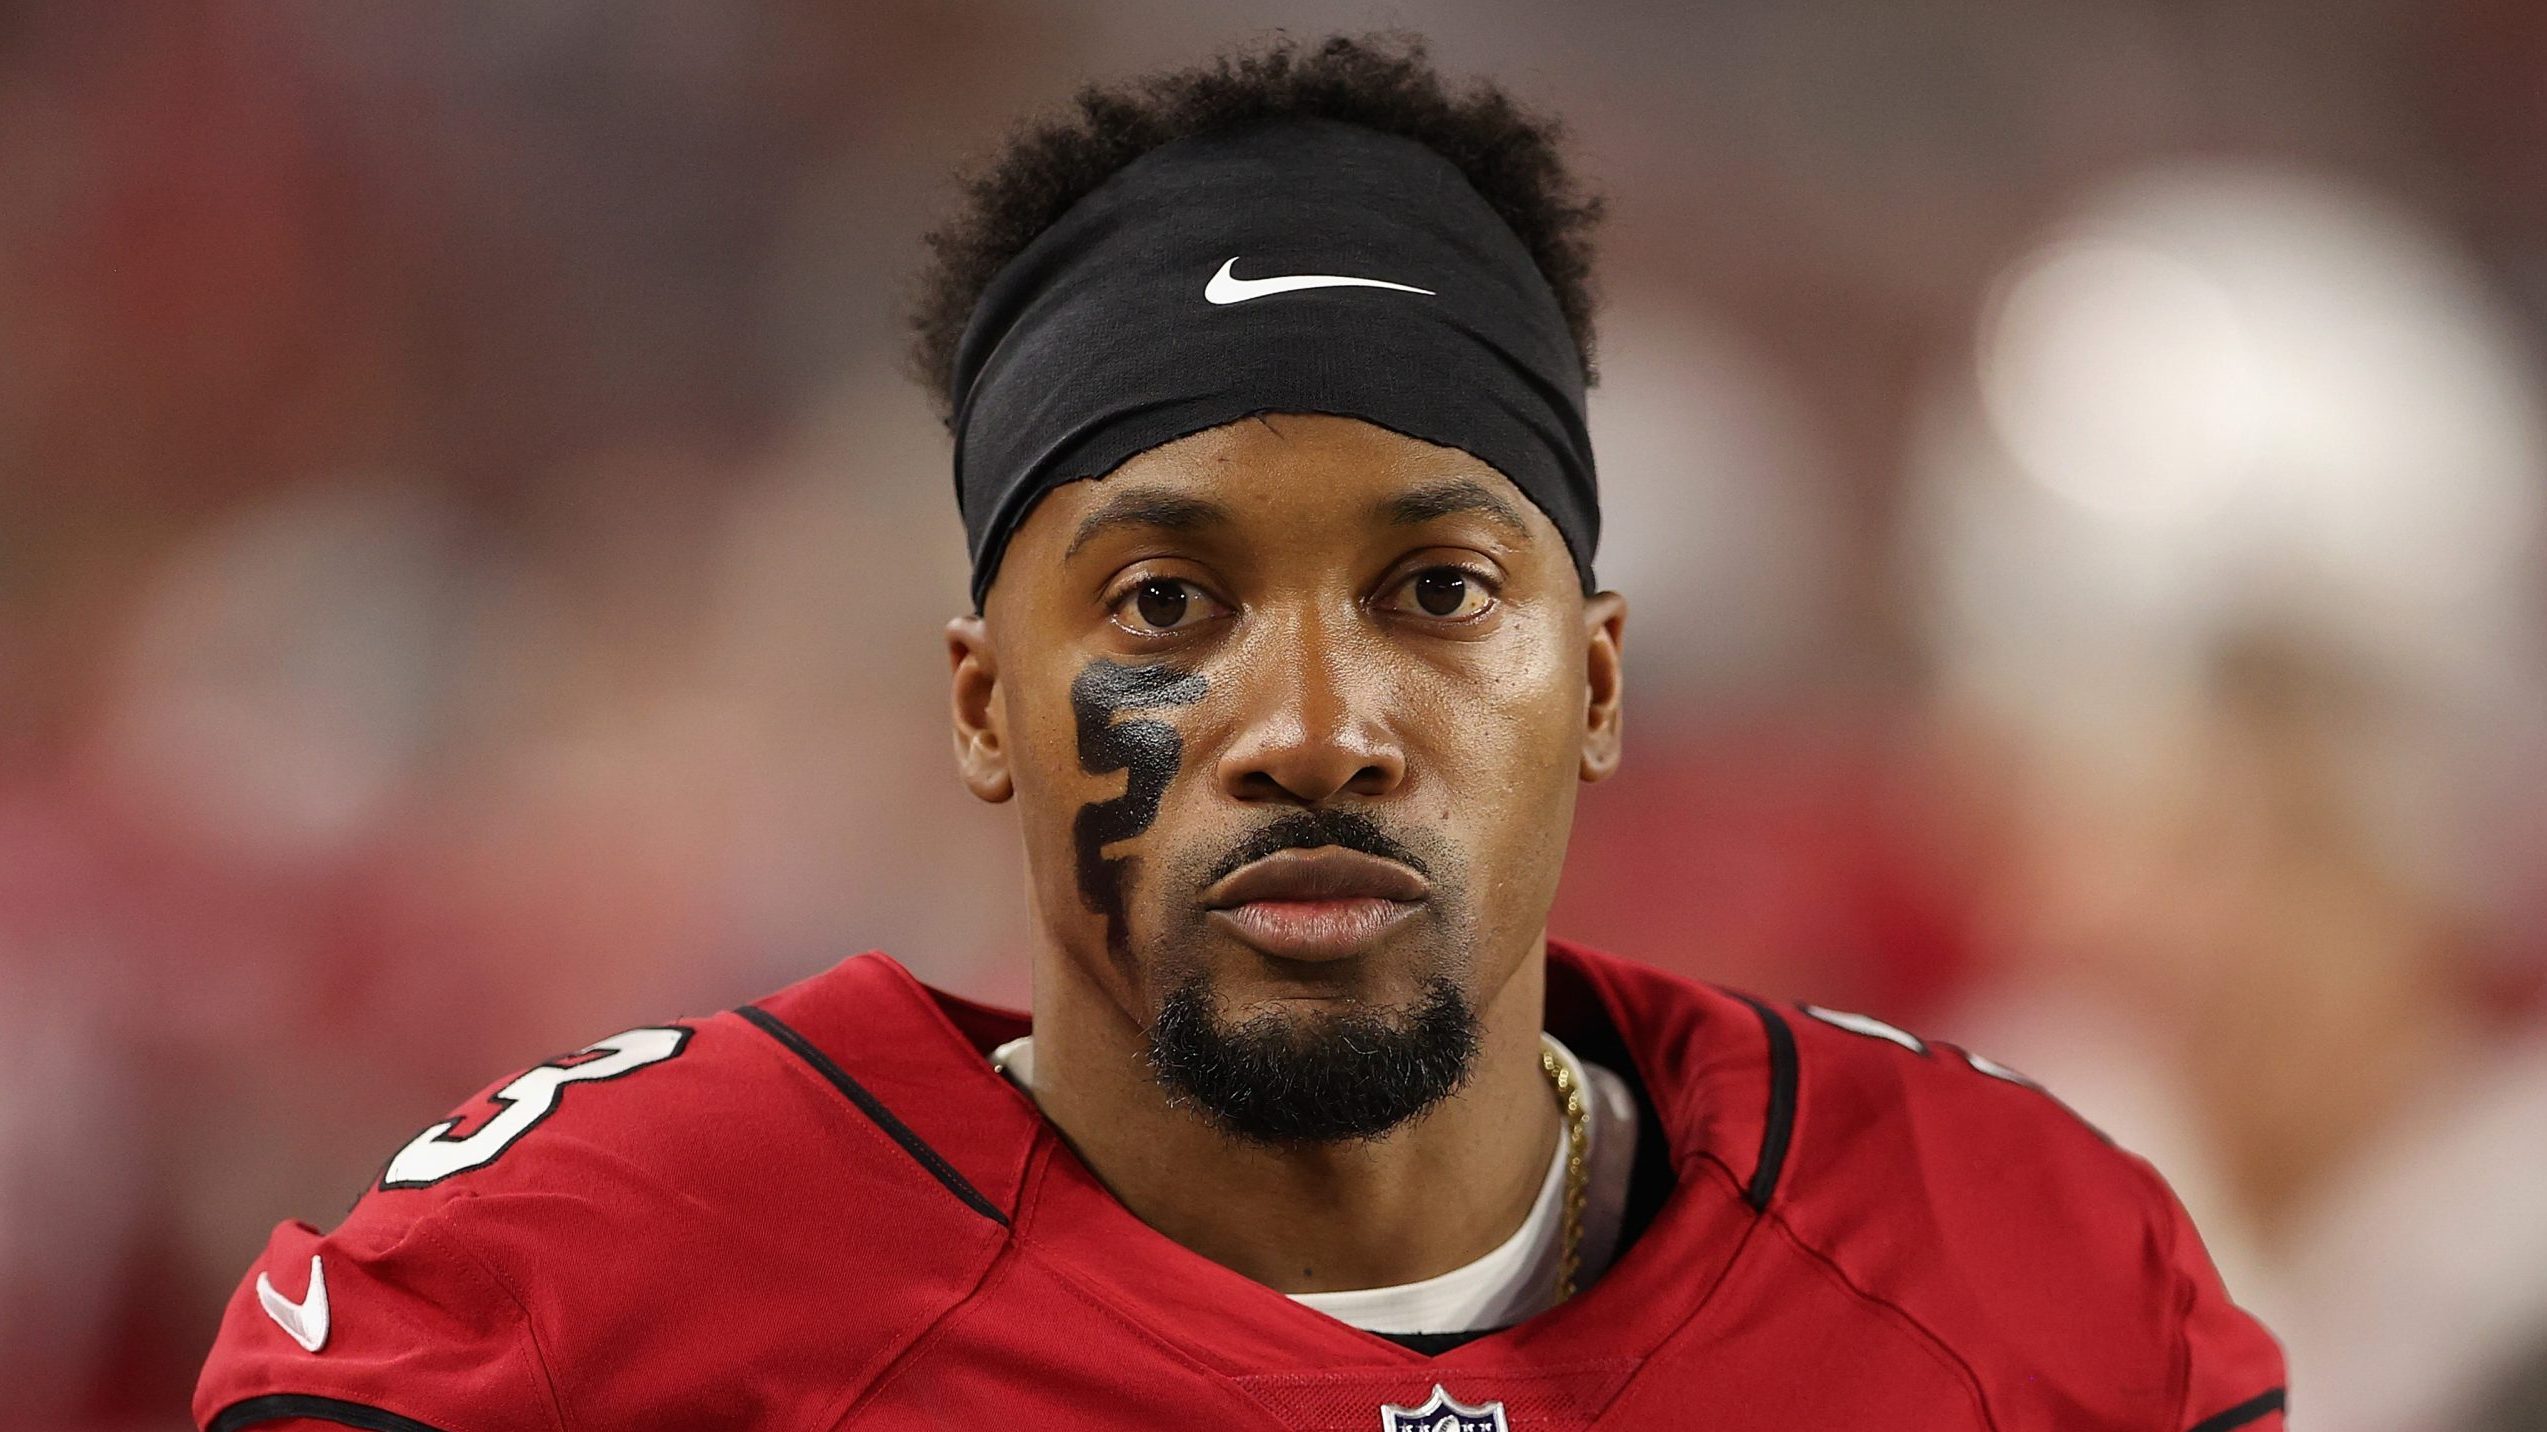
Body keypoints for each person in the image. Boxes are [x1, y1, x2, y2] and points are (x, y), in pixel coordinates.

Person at [194, 34, 2285, 1431]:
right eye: (1164, 603)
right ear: (979, 701)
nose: (1309, 730)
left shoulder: (2010, 1273)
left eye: (1436, 591)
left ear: (1603, 676)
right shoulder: (586, 1306)